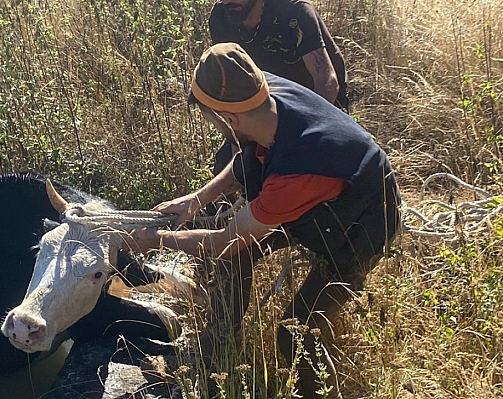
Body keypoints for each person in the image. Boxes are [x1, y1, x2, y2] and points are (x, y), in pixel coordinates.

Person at [126, 43, 400, 399]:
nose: (213, 128)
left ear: (230, 118)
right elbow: (246, 157)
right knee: (236, 256)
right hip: (317, 198)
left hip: (362, 223)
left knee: (297, 330)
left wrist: (155, 240)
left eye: (213, 120)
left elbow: (223, 240)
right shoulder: (259, 91)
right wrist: (197, 200)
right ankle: (221, 339)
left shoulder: (296, 173)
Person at [209, 0, 349, 111]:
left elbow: (327, 83)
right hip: (269, 109)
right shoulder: (221, 17)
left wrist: (300, 132)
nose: (226, 1)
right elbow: (232, 82)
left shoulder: (294, 11)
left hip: (321, 105)